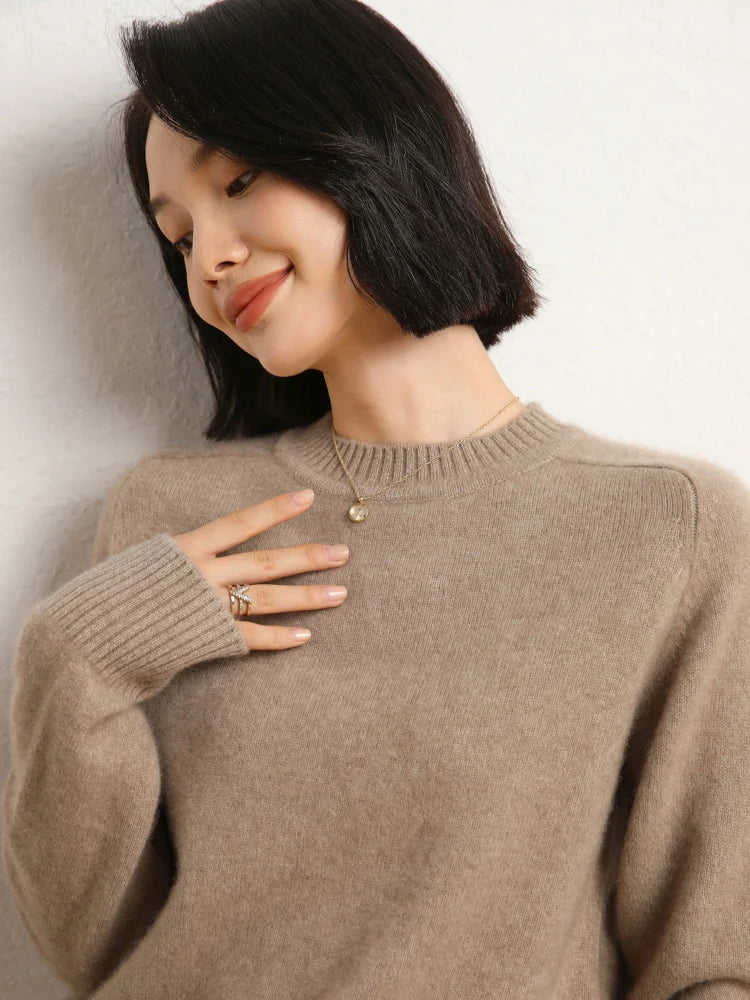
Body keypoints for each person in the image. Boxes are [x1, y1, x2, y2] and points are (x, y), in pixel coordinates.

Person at [3, 0, 749, 997]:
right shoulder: (171, 514)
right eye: (176, 238)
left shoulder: (671, 530)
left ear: (372, 145)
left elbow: (713, 959)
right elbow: (97, 944)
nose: (210, 260)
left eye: (240, 181)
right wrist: (74, 654)